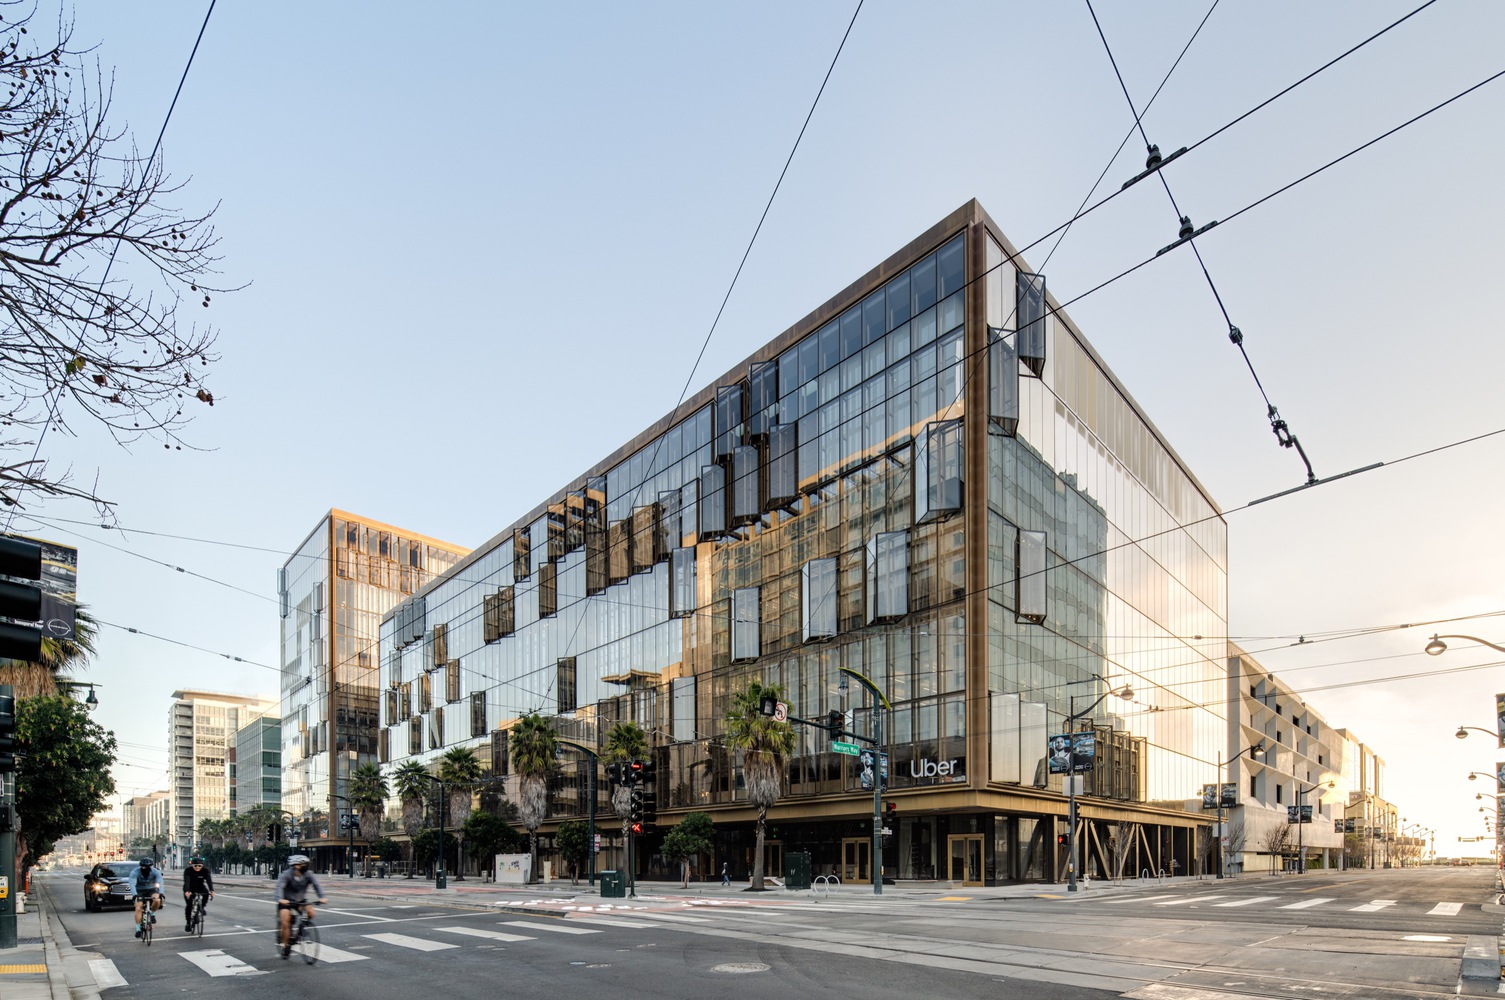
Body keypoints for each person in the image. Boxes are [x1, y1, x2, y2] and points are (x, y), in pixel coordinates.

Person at [276, 854, 327, 958]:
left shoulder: (308, 874)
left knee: (311, 912)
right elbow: (280, 887)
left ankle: (299, 932)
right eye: (304, 864)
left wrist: (322, 897)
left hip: (300, 901)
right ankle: (286, 946)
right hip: (286, 901)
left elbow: (316, 885)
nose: (306, 866)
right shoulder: (286, 874)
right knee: (285, 920)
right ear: (296, 865)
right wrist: (280, 899)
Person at [131, 858, 164, 938]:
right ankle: (138, 929)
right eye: (143, 867)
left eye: (148, 867)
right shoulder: (135, 872)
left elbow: (160, 882)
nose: (145, 868)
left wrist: (161, 893)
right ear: (140, 866)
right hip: (140, 890)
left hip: (152, 889)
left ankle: (152, 914)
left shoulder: (155, 872)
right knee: (138, 907)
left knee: (157, 900)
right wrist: (134, 894)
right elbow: (132, 883)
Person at [182, 856, 215, 931]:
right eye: (195, 866)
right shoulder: (188, 870)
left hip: (200, 886)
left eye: (199, 866)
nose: (197, 867)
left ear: (202, 866)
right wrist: (187, 891)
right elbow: (186, 881)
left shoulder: (205, 871)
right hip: (190, 887)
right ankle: (188, 923)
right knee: (189, 906)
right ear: (192, 865)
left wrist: (211, 890)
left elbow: (209, 880)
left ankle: (202, 908)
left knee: (206, 894)